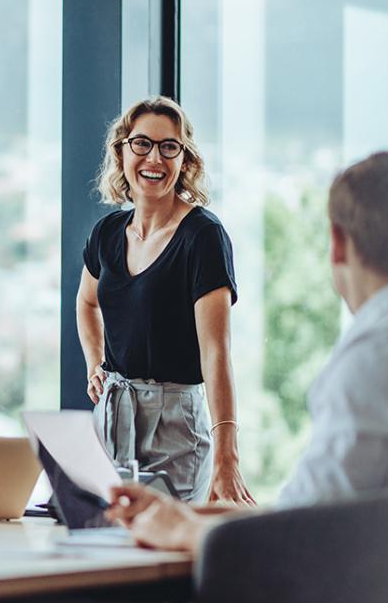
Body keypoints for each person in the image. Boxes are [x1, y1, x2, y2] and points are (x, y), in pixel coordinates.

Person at [106, 152, 388, 552]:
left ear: (336, 245)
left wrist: (180, 531)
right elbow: (310, 508)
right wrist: (185, 514)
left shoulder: (383, 350)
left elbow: (299, 534)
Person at [77, 96, 253, 504]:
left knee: (166, 556)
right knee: (108, 547)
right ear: (121, 151)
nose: (153, 158)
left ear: (184, 159)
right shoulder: (106, 233)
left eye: (168, 146)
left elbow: (216, 352)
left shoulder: (203, 236)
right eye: (141, 143)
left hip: (175, 424)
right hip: (112, 416)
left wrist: (228, 457)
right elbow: (87, 304)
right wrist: (94, 364)